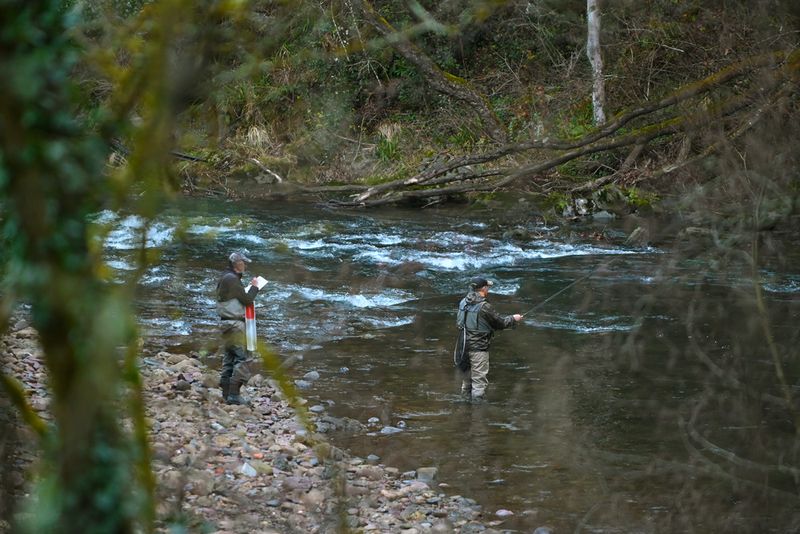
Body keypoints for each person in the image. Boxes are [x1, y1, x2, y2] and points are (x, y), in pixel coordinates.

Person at [456, 277, 522, 401]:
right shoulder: (484, 306)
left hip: (462, 347)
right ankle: (477, 413)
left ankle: (464, 411)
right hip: (478, 348)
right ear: (484, 289)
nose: (489, 290)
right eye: (488, 287)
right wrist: (514, 318)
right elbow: (500, 323)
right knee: (479, 384)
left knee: (466, 382)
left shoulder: (463, 302)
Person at [216, 251, 263, 405]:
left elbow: (238, 296)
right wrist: (255, 287)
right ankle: (234, 395)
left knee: (230, 356)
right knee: (244, 358)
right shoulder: (232, 279)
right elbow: (248, 300)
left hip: (225, 323)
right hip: (235, 324)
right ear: (237, 264)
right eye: (243, 263)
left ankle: (225, 392)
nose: (245, 265)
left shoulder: (226, 277)